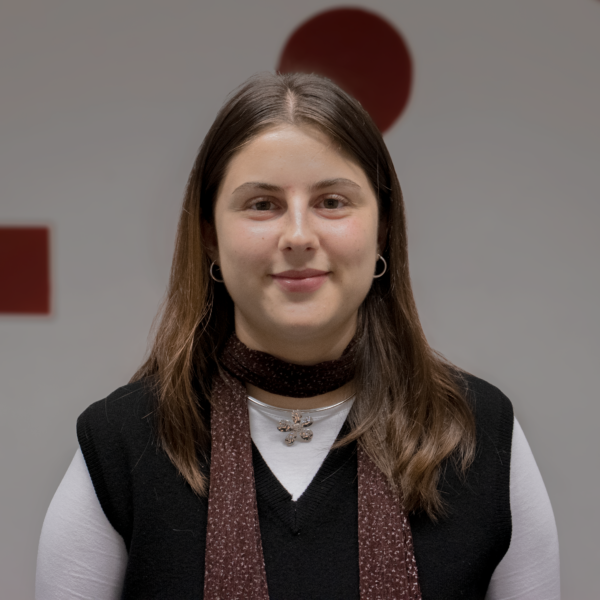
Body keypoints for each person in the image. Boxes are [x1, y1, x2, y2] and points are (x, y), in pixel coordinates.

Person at [35, 72, 560, 600]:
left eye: (332, 201)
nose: (299, 236)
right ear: (210, 237)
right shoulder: (120, 445)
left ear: (382, 230)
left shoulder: (480, 436)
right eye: (262, 204)